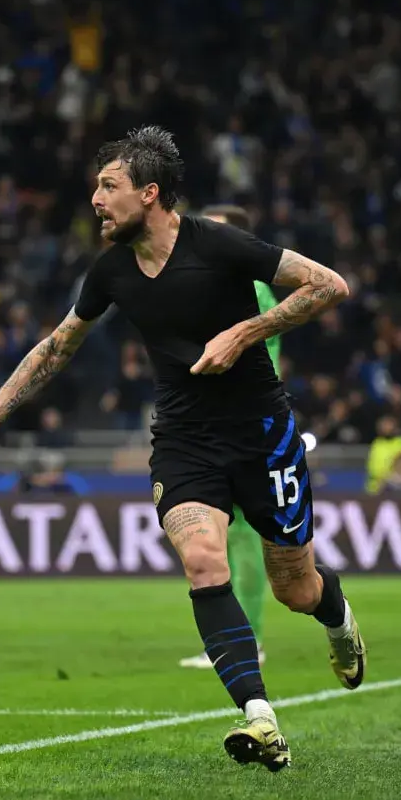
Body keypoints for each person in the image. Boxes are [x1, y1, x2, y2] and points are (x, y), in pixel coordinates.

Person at [0, 126, 365, 771]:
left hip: (262, 435)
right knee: (203, 560)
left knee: (295, 590)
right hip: (185, 440)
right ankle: (260, 717)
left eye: (109, 186)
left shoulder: (217, 243)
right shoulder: (111, 270)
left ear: (150, 193)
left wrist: (244, 332)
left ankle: (339, 622)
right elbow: (59, 344)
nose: (96, 200)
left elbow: (330, 285)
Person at [177, 203, 276, 671]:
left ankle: (246, 640)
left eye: (213, 233)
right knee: (218, 538)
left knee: (241, 539)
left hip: (242, 428)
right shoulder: (229, 288)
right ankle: (232, 639)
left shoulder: (250, 289)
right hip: (216, 426)